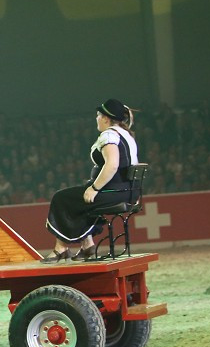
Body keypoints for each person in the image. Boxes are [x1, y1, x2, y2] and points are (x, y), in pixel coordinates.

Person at [43, 98, 140, 262]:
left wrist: (94, 188)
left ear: (106, 118)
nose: (96, 118)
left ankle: (61, 248)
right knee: (79, 197)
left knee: (61, 198)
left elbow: (112, 164)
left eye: (98, 115)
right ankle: (87, 245)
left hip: (115, 192)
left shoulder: (109, 135)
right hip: (127, 191)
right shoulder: (126, 134)